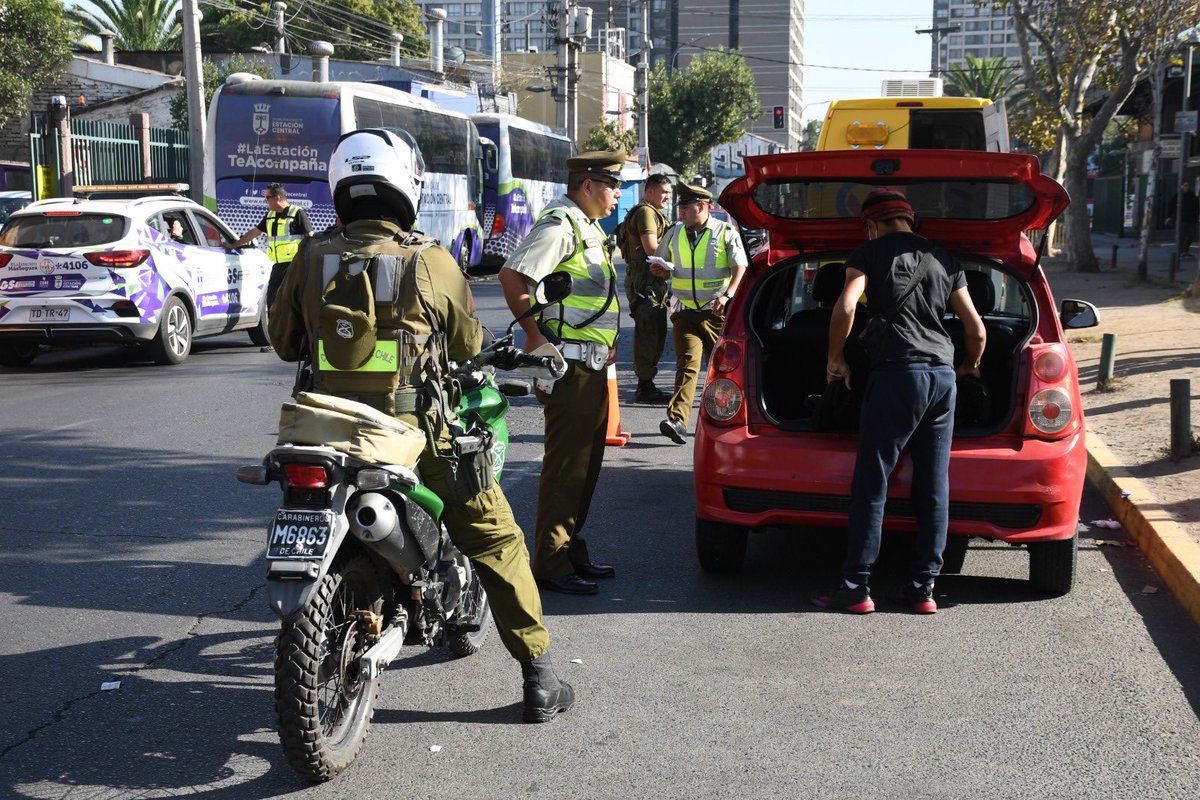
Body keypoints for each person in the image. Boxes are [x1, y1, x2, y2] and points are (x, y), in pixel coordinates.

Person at [268, 128, 574, 723]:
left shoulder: (310, 256)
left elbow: (284, 343)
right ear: (405, 185)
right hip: (413, 433)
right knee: (495, 537)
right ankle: (538, 675)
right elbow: (467, 343)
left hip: (322, 430)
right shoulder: (429, 258)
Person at [815, 188, 986, 615]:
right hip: (943, 378)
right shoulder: (945, 259)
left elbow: (845, 307)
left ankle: (856, 588)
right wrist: (969, 366)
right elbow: (977, 330)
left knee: (873, 482)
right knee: (933, 483)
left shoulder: (869, 253)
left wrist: (836, 359)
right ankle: (923, 588)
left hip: (897, 376)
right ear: (910, 220)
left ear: (872, 224)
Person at [497, 150, 624, 596]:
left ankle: (569, 549)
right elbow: (513, 278)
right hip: (567, 367)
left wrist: (606, 346)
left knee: (586, 467)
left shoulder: (588, 227)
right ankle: (550, 561)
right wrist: (534, 337)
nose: (618, 194)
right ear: (587, 186)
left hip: (589, 365)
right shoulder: (560, 225)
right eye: (612, 185)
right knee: (566, 468)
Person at [654, 183, 748, 445]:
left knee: (722, 370)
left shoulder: (725, 232)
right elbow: (660, 261)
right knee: (686, 366)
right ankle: (677, 421)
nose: (680, 213)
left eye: (685, 208)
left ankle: (728, 419)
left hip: (715, 313)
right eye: (680, 208)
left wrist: (727, 295)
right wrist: (660, 269)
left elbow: (740, 267)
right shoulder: (674, 232)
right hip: (684, 312)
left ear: (703, 207)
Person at [620, 173, 673, 403]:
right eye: (663, 192)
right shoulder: (646, 213)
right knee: (648, 334)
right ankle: (645, 386)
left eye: (669, 193)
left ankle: (647, 383)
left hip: (652, 282)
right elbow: (653, 250)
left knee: (656, 331)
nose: (667, 197)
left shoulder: (654, 212)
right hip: (645, 283)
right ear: (649, 191)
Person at [230, 182, 314, 307]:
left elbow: (310, 237)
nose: (265, 201)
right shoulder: (270, 215)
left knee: (293, 303)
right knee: (272, 302)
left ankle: (293, 326)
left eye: (267, 198)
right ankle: (274, 326)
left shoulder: (297, 212)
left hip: (295, 265)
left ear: (278, 198)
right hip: (278, 266)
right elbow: (255, 232)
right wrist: (234, 245)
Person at [1166, 179, 1199, 258]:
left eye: (1188, 185)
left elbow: (1197, 207)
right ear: (1182, 186)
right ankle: (1181, 252)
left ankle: (1185, 251)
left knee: (1191, 236)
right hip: (1182, 219)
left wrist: (1198, 216)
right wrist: (1169, 216)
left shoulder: (1192, 195)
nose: (1186, 187)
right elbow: (1171, 205)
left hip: (1192, 219)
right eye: (1185, 185)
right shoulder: (1178, 195)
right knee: (1182, 236)